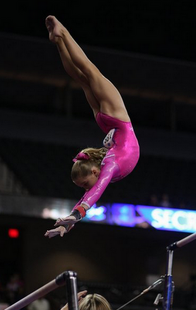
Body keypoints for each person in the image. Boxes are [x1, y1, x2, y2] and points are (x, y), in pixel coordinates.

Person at [44, 15, 140, 238]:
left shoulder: (108, 165)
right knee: (85, 75)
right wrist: (68, 222)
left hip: (115, 120)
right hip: (110, 121)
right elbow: (91, 195)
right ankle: (59, 39)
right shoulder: (109, 166)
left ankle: (62, 35)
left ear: (94, 171)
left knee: (87, 73)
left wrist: (71, 219)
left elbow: (91, 195)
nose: (85, 188)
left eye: (84, 183)